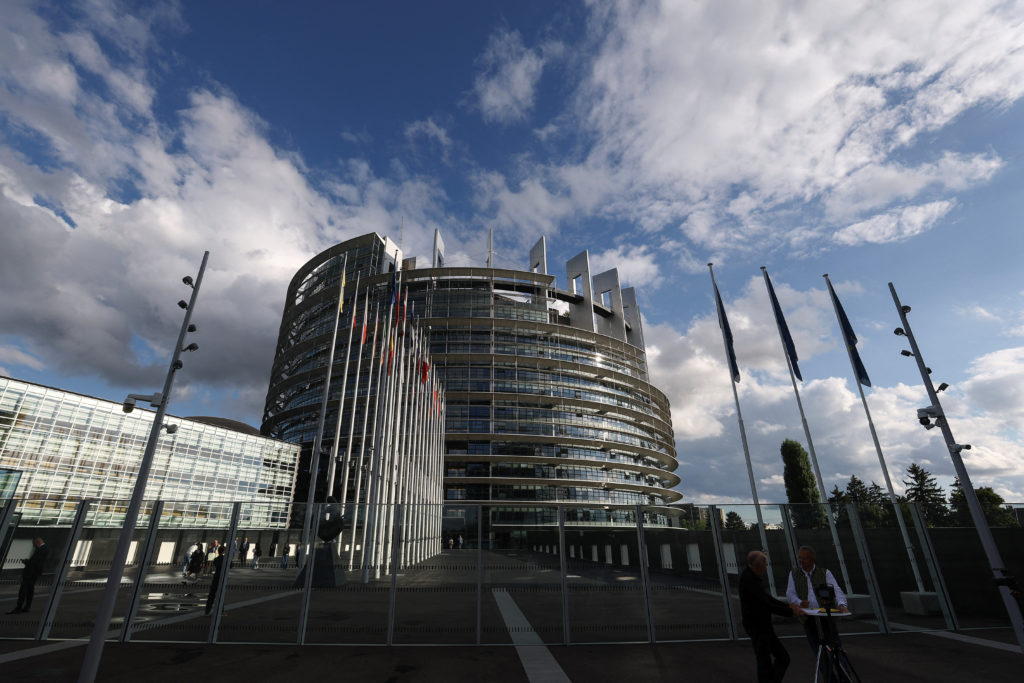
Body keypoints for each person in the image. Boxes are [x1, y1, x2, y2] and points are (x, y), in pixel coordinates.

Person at [740, 550, 798, 682]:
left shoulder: (751, 578)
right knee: (767, 661)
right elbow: (765, 604)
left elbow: (767, 599)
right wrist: (790, 611)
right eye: (765, 562)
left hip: (762, 626)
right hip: (758, 627)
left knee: (774, 659)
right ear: (759, 563)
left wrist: (788, 607)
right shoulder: (749, 580)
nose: (766, 566)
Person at [786, 545, 848, 665]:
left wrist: (841, 604)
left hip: (825, 615)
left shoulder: (824, 573)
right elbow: (790, 594)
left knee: (835, 647)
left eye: (805, 558)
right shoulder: (794, 574)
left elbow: (836, 589)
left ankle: (844, 676)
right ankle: (829, 678)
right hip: (808, 617)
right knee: (818, 651)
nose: (801, 561)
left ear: (813, 559)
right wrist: (799, 602)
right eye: (800, 558)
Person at [7, 537, 49, 614]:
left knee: (23, 590)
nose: (33, 545)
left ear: (37, 542)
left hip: (30, 573)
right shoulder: (45, 549)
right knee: (30, 590)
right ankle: (27, 607)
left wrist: (25, 561)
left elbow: (34, 562)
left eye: (34, 543)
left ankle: (18, 608)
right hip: (35, 573)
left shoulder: (41, 549)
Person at [205, 545, 226, 615]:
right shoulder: (225, 559)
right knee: (220, 595)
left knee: (211, 595)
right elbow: (231, 565)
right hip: (222, 578)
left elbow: (215, 564)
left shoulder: (216, 559)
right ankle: (221, 611)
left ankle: (207, 610)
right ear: (224, 551)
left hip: (216, 577)